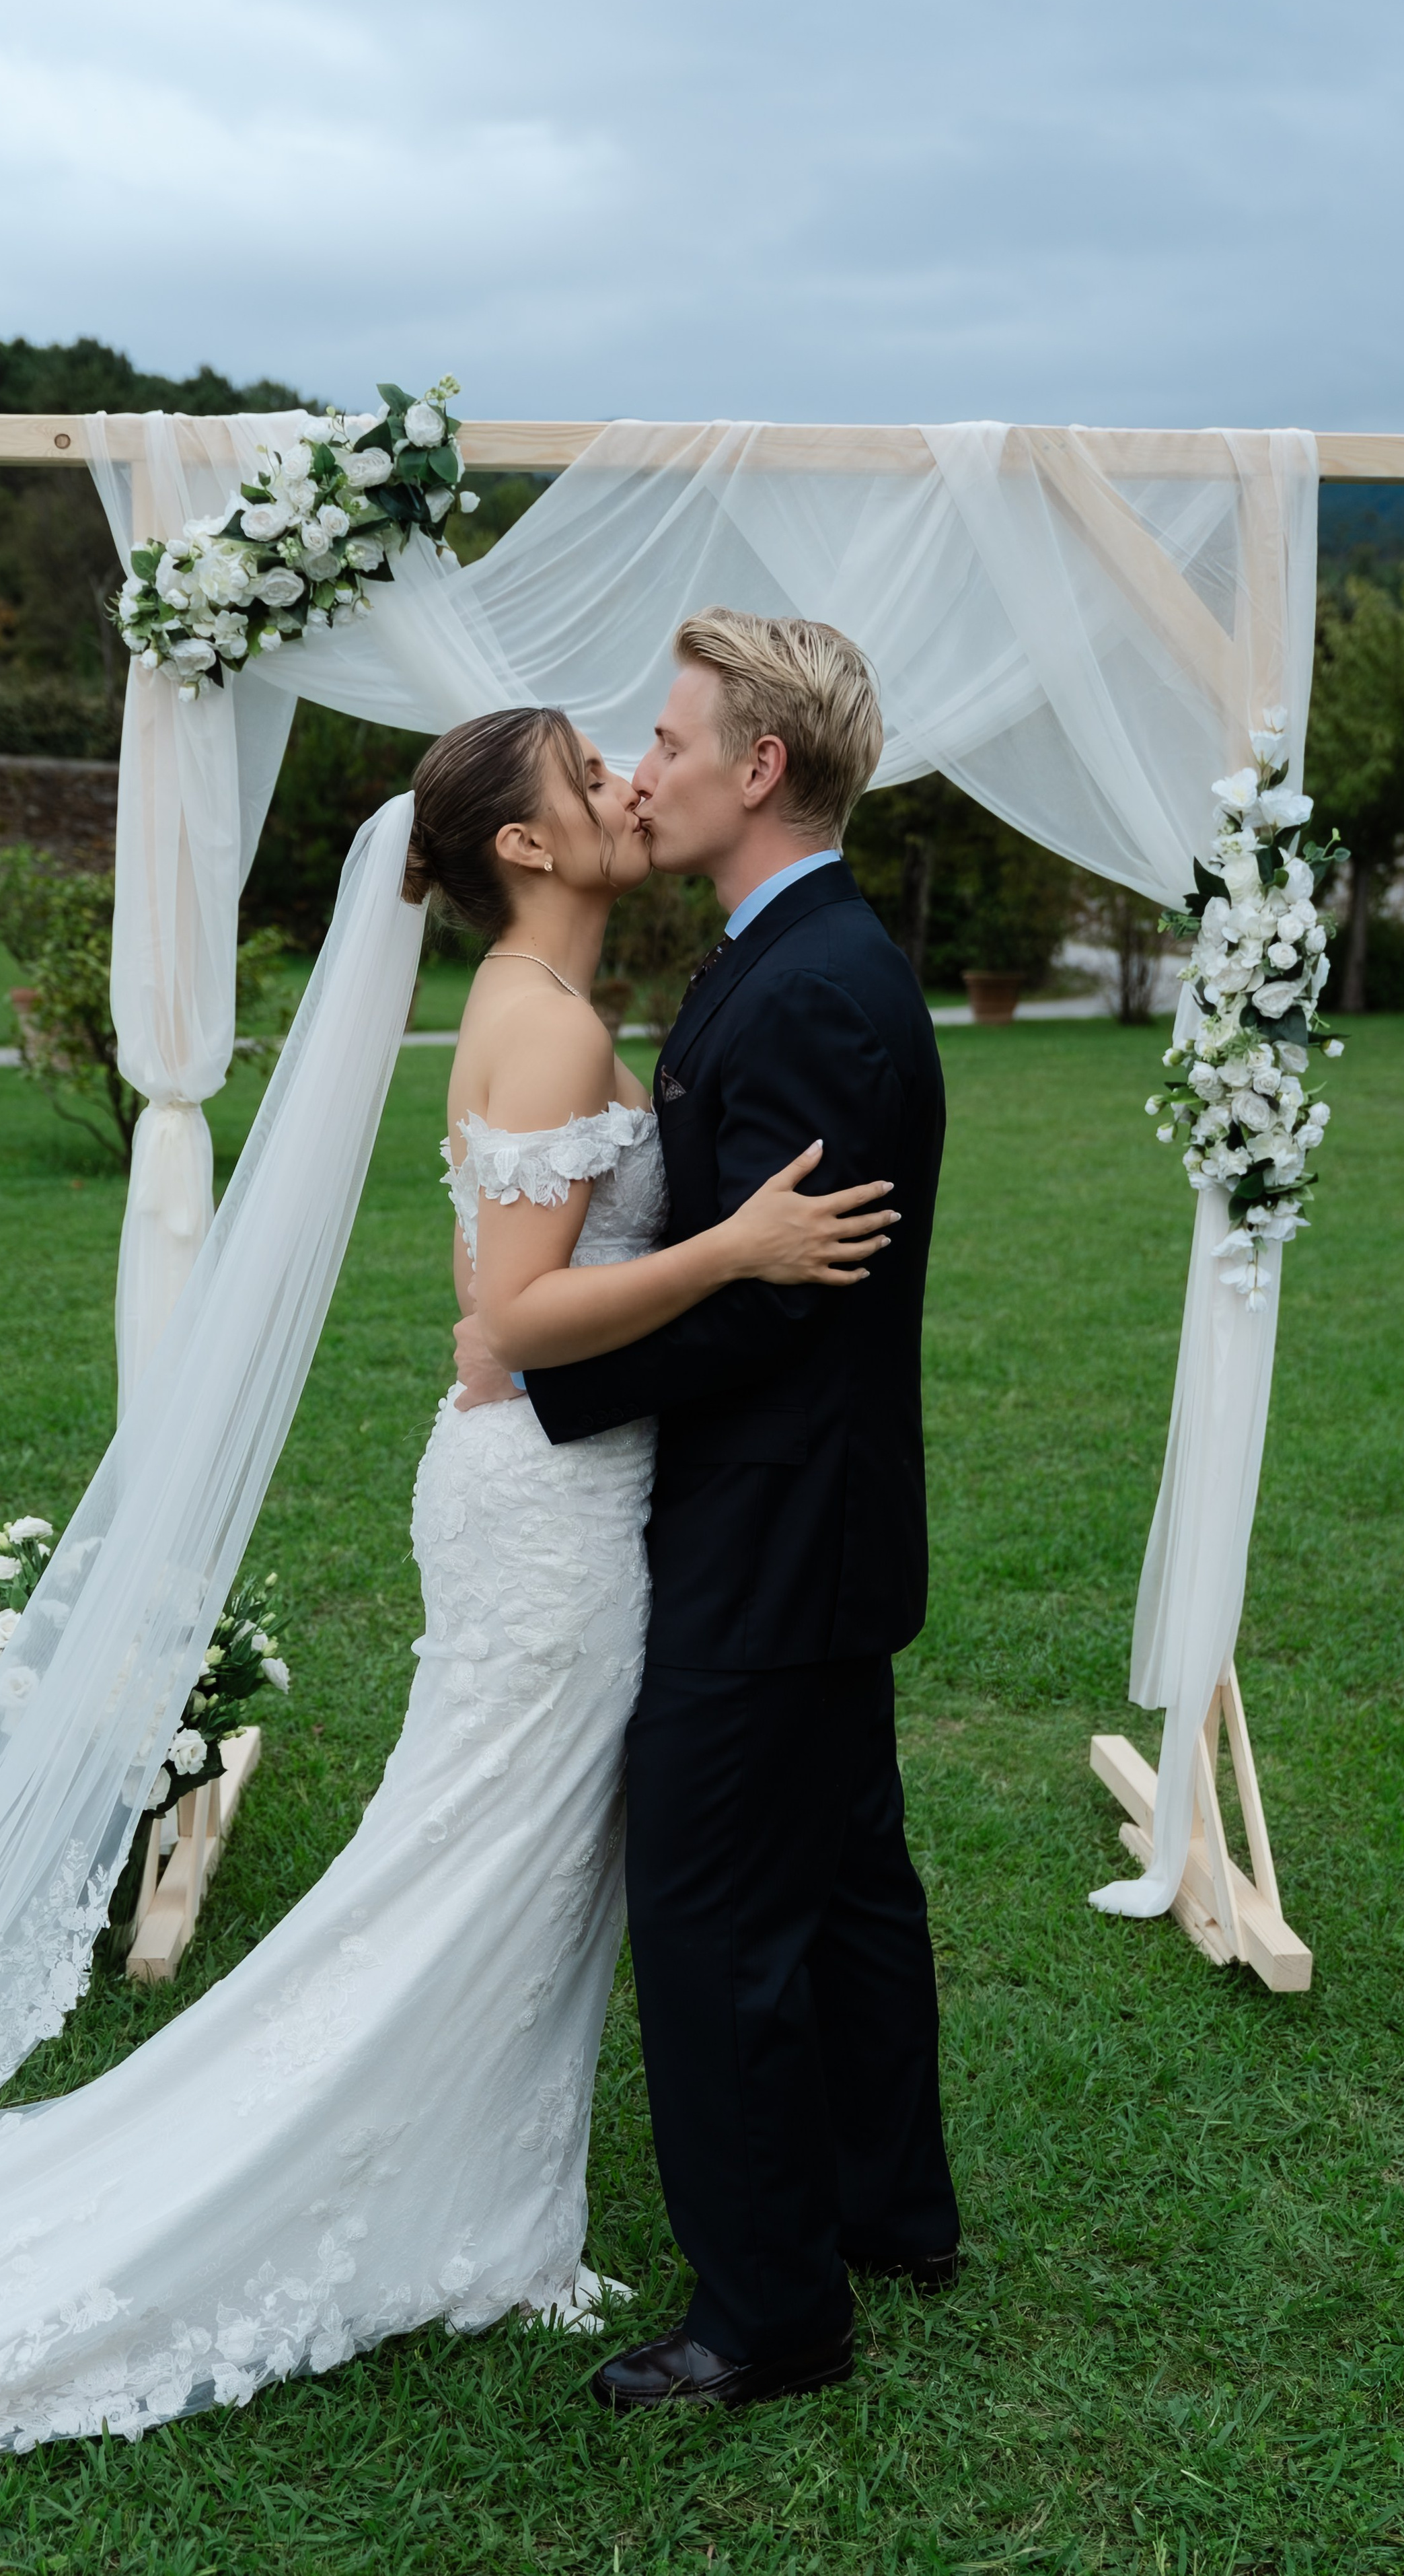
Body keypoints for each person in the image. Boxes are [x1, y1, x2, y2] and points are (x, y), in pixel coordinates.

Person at [0, 706, 894, 2491]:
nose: (625, 777)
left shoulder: (553, 1013)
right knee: (480, 1852)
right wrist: (736, 1248)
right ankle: (373, 2183)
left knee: (505, 1856)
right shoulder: (541, 1025)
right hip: (547, 1507)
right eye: (586, 771)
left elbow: (494, 1288)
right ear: (523, 848)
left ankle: (490, 2200)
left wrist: (563, 1294)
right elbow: (523, 1320)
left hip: (559, 1491)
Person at [455, 610, 963, 2412]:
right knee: (838, 1884)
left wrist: (535, 1362)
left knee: (713, 1908)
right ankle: (892, 2212)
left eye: (668, 742)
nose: (640, 768)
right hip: (805, 1518)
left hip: (772, 1527)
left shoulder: (815, 981)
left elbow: (774, 1293)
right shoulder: (792, 953)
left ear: (758, 767)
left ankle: (770, 2313)